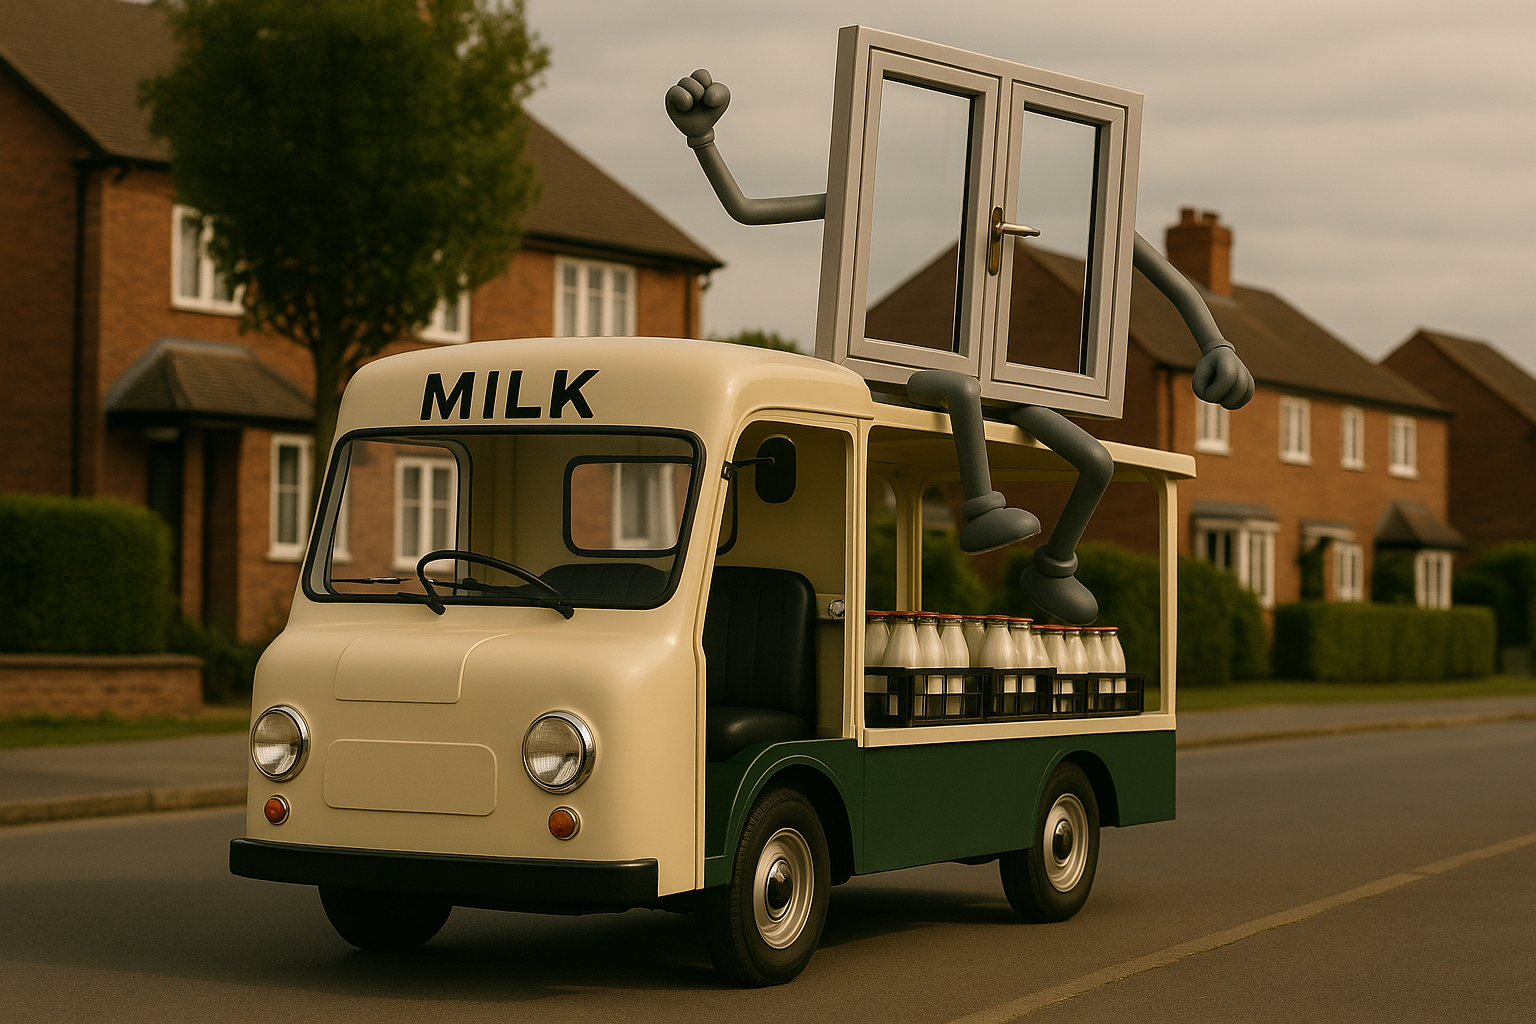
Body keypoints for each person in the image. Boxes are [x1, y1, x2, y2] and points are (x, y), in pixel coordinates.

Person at [666, 70, 1254, 623]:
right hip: (913, 372)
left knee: (1095, 460)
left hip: (1007, 385)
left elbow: (1174, 283)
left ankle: (1053, 567)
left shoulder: (1080, 218)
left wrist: (1216, 343)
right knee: (962, 387)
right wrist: (704, 140)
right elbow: (747, 210)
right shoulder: (882, 202)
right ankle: (980, 509)